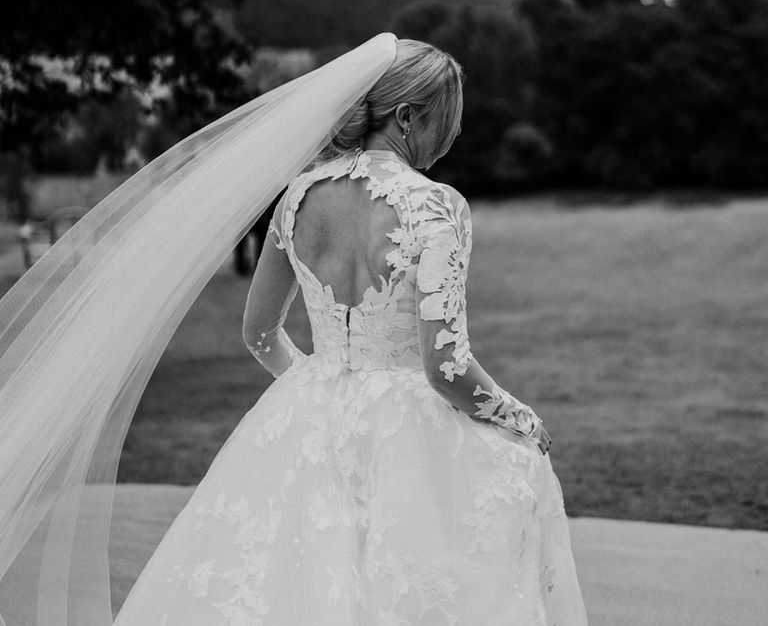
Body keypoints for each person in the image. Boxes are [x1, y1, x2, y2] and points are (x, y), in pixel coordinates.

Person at [111, 39, 587, 624]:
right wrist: (521, 418)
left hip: (309, 418)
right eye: (448, 120)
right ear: (407, 116)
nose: (455, 135)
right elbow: (446, 369)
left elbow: (259, 333)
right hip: (407, 432)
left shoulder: (297, 198)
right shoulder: (436, 207)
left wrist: (320, 383)